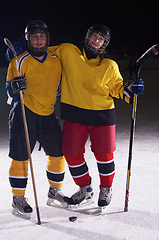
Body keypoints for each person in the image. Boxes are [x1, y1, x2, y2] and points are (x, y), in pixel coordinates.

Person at [47, 23, 144, 208]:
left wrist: (131, 90)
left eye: (101, 39)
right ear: (87, 35)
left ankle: (106, 189)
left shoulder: (110, 65)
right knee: (71, 154)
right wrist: (22, 53)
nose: (96, 40)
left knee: (104, 155)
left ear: (104, 44)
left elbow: (118, 89)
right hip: (75, 114)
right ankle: (85, 188)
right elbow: (42, 53)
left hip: (103, 116)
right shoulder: (67, 51)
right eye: (94, 36)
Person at [6, 20, 66, 217]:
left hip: (48, 115)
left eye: (42, 36)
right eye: (34, 36)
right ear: (28, 39)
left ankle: (54, 191)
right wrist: (14, 88)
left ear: (47, 39)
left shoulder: (56, 61)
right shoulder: (19, 61)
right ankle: (18, 197)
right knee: (21, 158)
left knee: (58, 154)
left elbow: (58, 89)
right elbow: (9, 91)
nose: (38, 40)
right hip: (24, 113)